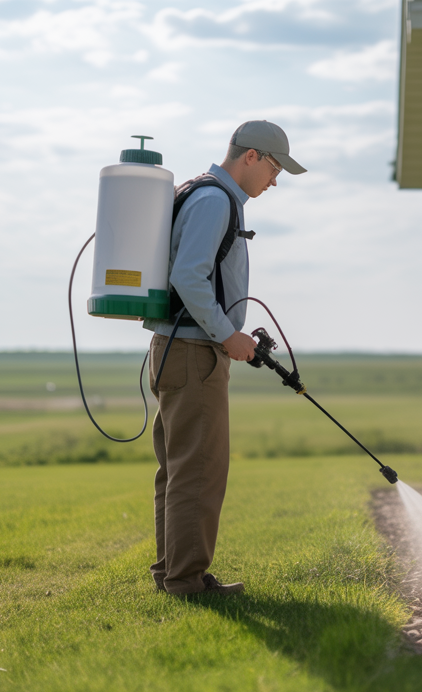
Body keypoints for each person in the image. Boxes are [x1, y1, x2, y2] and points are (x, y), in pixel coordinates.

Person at [141, 120, 306, 596]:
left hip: (178, 349)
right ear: (250, 156)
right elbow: (189, 277)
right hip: (195, 352)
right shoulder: (216, 200)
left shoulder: (205, 193)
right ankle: (187, 581)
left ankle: (173, 573)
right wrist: (227, 334)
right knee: (199, 470)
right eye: (274, 168)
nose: (274, 181)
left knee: (177, 469)